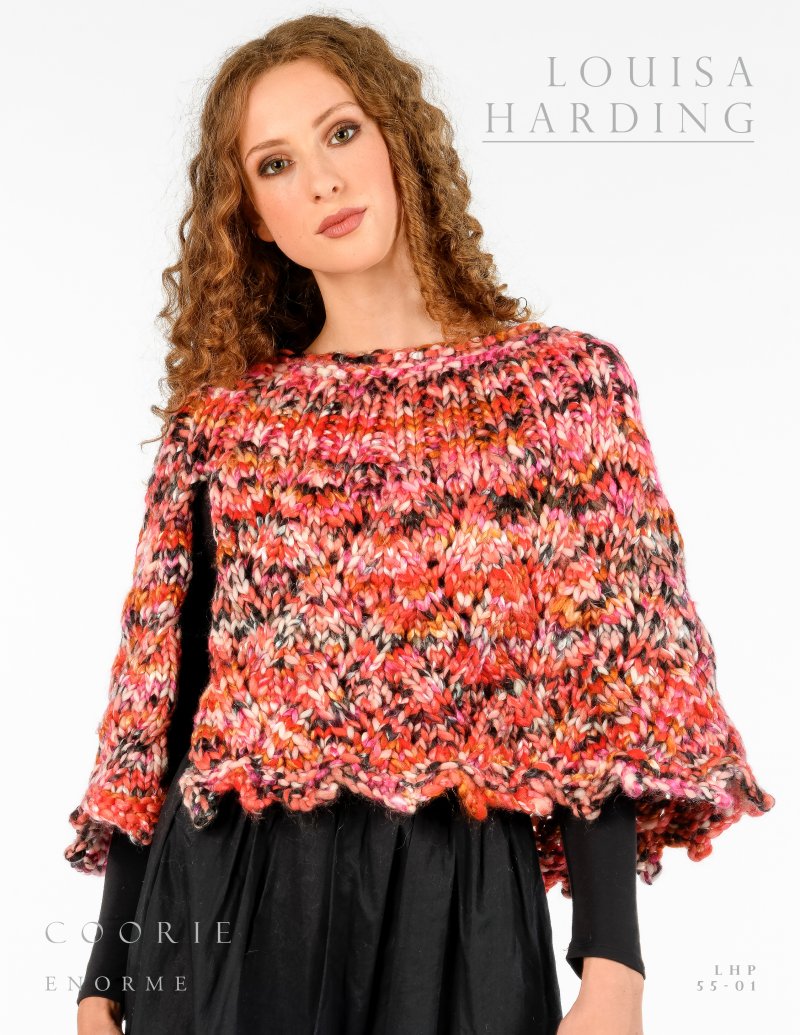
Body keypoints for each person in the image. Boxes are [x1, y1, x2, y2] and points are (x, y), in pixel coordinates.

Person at [68, 14, 774, 1035]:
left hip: (459, 903)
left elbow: (607, 693)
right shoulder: (225, 428)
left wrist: (613, 962)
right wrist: (107, 970)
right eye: (276, 164)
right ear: (253, 216)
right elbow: (159, 715)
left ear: (398, 137)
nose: (322, 181)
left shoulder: (557, 392)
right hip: (228, 909)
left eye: (341, 132)